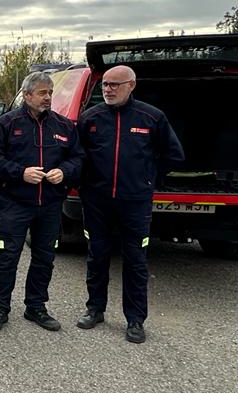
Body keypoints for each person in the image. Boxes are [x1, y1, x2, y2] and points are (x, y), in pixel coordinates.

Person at [76, 65, 184, 343]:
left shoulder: (151, 117)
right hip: (97, 202)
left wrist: (147, 179)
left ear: (131, 85)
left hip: (134, 203)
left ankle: (135, 319)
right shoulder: (90, 118)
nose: (108, 89)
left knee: (135, 261)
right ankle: (95, 309)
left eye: (115, 84)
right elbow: (78, 156)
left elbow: (173, 155)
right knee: (96, 256)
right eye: (105, 85)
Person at [0, 71, 84, 333]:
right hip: (16, 203)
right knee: (7, 256)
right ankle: (0, 308)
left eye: (50, 93)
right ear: (27, 95)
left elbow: (78, 158)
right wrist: (20, 173)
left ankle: (36, 306)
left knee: (44, 258)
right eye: (42, 93)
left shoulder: (63, 126)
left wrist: (65, 172)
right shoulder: (6, 124)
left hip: (50, 205)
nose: (47, 97)